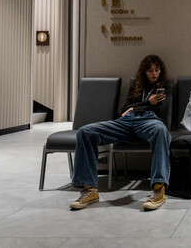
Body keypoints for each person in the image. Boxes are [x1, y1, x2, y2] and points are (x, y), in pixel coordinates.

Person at [69, 55, 172, 210]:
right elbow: (124, 109)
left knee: (161, 131)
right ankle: (89, 190)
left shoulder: (165, 87)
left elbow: (160, 108)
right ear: (144, 71)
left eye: (156, 70)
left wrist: (136, 107)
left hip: (148, 121)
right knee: (85, 131)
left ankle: (158, 189)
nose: (154, 73)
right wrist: (145, 103)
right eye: (150, 70)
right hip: (125, 122)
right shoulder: (135, 87)